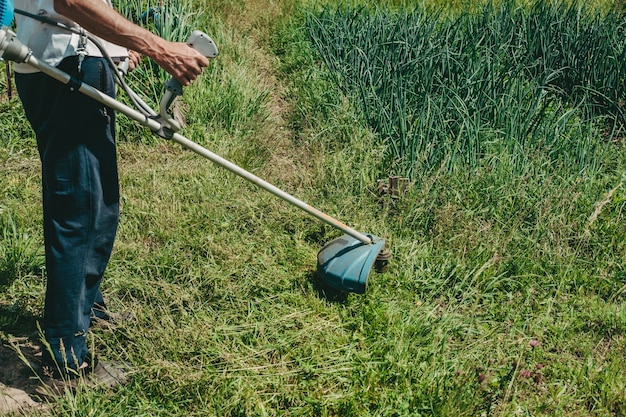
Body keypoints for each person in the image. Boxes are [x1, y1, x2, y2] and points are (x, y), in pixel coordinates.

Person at [12, 0, 209, 389]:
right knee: (81, 211)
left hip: (64, 61)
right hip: (67, 67)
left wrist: (118, 46)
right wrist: (160, 47)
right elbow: (70, 2)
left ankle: (86, 310)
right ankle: (66, 362)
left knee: (94, 204)